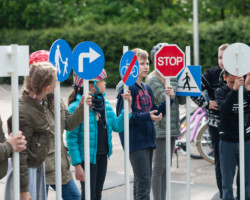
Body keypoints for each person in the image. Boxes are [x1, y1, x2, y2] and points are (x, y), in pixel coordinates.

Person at [28, 50, 92, 200]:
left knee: (75, 197)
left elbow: (69, 124)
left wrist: (82, 107)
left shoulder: (57, 99)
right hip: (40, 167)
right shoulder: (29, 103)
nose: (55, 78)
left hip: (59, 165)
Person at [116, 48, 174, 200]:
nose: (146, 66)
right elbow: (126, 118)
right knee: (144, 185)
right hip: (135, 141)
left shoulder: (147, 88)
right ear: (132, 67)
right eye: (142, 63)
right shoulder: (127, 89)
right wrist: (147, 116)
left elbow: (154, 112)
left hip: (148, 140)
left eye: (147, 63)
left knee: (141, 183)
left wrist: (169, 100)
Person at [66, 69, 132, 200]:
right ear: (91, 85)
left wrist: (128, 107)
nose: (105, 83)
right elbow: (71, 139)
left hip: (102, 155)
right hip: (86, 159)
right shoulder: (76, 107)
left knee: (97, 194)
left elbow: (118, 126)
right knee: (88, 194)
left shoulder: (105, 104)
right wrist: (77, 165)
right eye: (102, 80)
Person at [5, 62, 57, 200]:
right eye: (55, 82)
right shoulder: (25, 112)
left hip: (36, 167)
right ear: (47, 88)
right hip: (27, 173)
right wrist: (23, 190)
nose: (57, 84)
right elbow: (21, 154)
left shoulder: (38, 100)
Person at [146, 43, 186, 200]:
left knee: (166, 166)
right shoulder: (152, 79)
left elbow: (181, 100)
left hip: (172, 127)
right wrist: (172, 83)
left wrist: (178, 80)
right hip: (159, 127)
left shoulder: (173, 78)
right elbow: (164, 99)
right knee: (158, 166)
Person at [191, 43, 230, 199]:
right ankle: (223, 194)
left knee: (241, 161)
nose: (221, 61)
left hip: (237, 125)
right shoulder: (212, 74)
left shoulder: (242, 74)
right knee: (220, 162)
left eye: (225, 58)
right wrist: (206, 104)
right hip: (216, 126)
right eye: (219, 57)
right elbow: (192, 90)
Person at [215, 71, 250, 200]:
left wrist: (248, 89)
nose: (234, 84)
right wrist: (234, 90)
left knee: (246, 181)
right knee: (227, 182)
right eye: (231, 82)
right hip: (227, 140)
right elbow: (224, 109)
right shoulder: (221, 91)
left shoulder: (245, 90)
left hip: (245, 140)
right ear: (225, 77)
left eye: (237, 81)